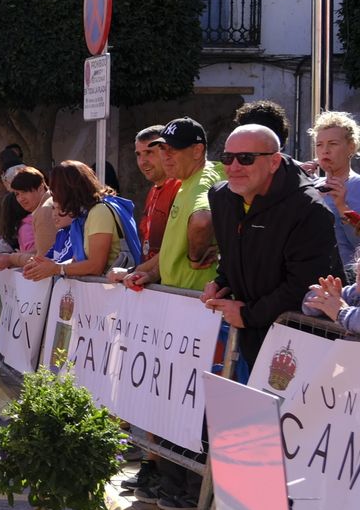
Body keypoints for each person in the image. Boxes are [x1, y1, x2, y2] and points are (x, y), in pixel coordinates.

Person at [203, 125, 343, 373]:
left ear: (274, 162)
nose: (234, 167)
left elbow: (305, 286)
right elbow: (232, 254)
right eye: (227, 158)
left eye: (246, 158)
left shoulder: (309, 209)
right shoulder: (221, 197)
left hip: (301, 346)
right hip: (249, 335)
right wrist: (221, 284)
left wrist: (247, 315)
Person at [122, 118, 222, 292]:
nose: (165, 156)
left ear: (197, 151)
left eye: (173, 149)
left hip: (197, 300)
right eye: (162, 149)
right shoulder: (186, 181)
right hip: (182, 297)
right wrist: (153, 274)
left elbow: (202, 220)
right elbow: (174, 247)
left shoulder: (202, 180)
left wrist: (195, 258)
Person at [22, 161, 138, 281]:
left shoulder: (99, 212)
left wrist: (57, 268)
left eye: (56, 188)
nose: (54, 194)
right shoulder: (84, 216)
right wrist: (48, 265)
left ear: (68, 189)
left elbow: (95, 266)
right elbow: (77, 261)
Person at [308, 111, 360, 281]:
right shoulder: (309, 186)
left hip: (348, 282)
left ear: (351, 146)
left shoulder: (357, 185)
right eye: (319, 145)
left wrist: (342, 207)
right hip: (310, 280)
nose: (325, 151)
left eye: (333, 144)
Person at [132, 126, 180, 262]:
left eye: (149, 152)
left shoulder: (179, 187)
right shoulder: (153, 190)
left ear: (167, 152)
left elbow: (177, 248)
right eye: (138, 154)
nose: (142, 162)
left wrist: (140, 271)